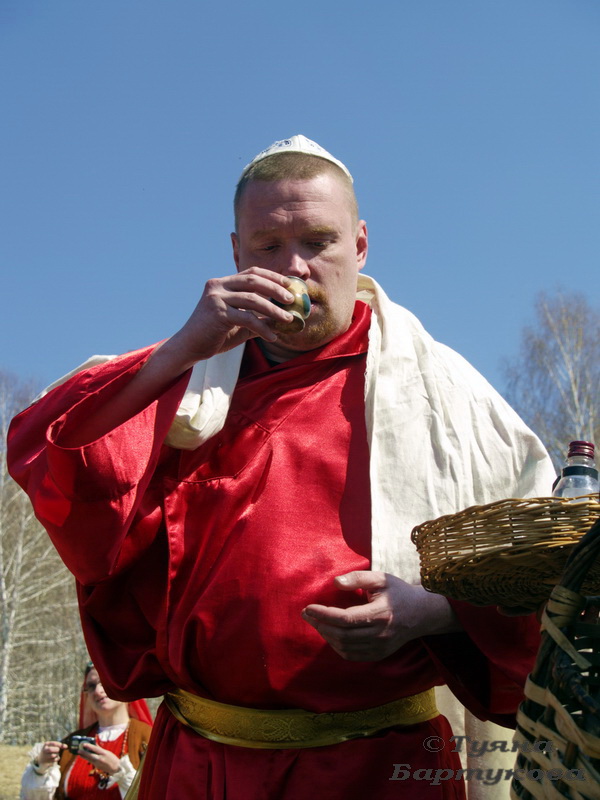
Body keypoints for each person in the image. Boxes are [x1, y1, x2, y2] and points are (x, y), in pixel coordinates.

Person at [8, 135, 557, 800]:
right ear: (235, 253)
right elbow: (55, 460)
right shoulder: (185, 382)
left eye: (318, 241)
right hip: (200, 766)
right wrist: (179, 351)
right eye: (268, 246)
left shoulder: (453, 398)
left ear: (360, 245)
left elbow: (551, 583)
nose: (294, 267)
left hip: (380, 768)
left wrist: (437, 612)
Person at [20, 663, 153, 799]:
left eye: (104, 682)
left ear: (122, 685)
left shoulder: (149, 738)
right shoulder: (71, 744)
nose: (98, 691)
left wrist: (119, 771)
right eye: (91, 686)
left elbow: (157, 792)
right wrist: (41, 768)